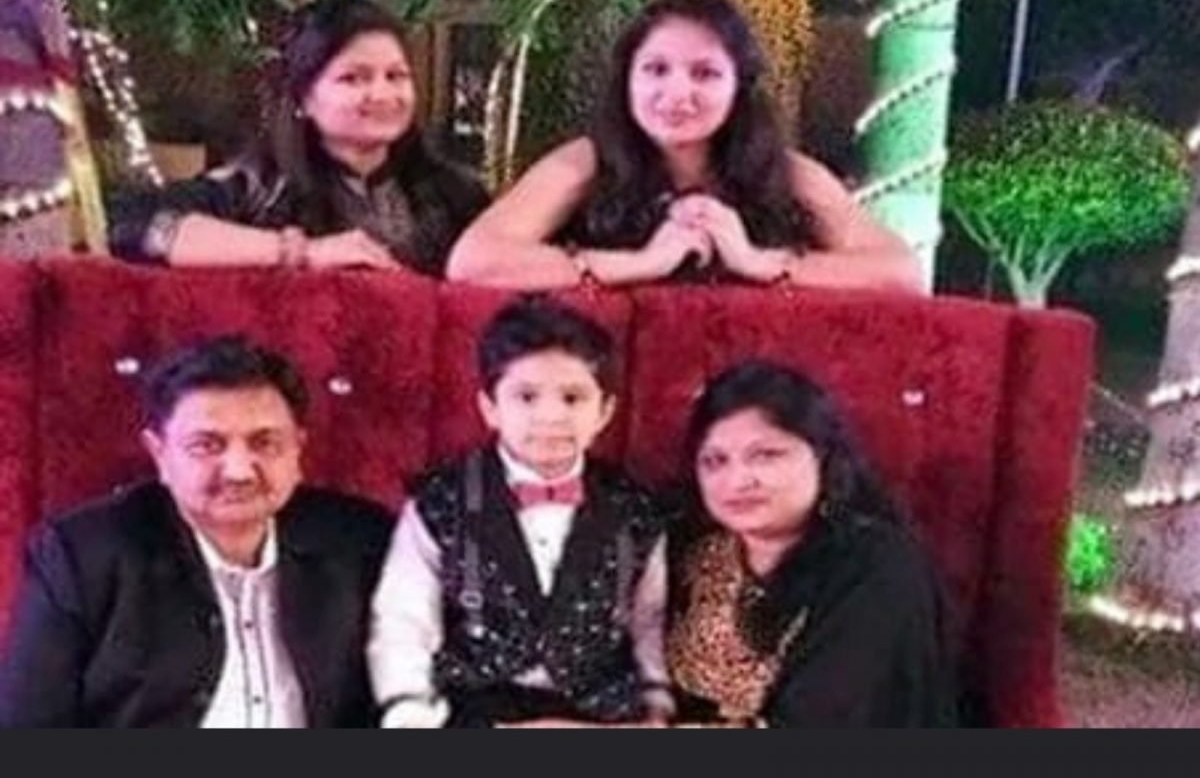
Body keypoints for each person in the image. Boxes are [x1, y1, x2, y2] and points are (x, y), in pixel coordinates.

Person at [0, 335, 394, 727]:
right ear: (159, 454)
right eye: (207, 445)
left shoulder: (362, 542)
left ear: (297, 449)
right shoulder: (82, 557)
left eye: (264, 443)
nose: (239, 471)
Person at [446, 0, 919, 292]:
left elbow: (901, 273)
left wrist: (759, 262)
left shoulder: (788, 172)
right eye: (655, 70)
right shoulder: (585, 162)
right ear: (627, 79)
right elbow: (474, 261)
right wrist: (640, 263)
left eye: (705, 73)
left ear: (739, 86)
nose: (676, 94)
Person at [367, 296, 672, 727]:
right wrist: (410, 711)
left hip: (597, 709)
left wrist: (657, 701)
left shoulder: (635, 508)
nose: (550, 416)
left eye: (572, 398)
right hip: (476, 705)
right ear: (490, 408)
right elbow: (404, 617)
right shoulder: (440, 501)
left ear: (605, 411)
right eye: (526, 397)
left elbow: (649, 618)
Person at [106, 0, 489, 276]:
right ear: (303, 97)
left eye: (396, 75)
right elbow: (127, 224)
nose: (382, 94)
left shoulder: (456, 197)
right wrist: (301, 252)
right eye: (353, 78)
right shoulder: (256, 189)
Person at [665, 360, 957, 727]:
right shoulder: (695, 552)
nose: (737, 481)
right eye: (714, 461)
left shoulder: (878, 566)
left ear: (822, 456)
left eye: (766, 456)